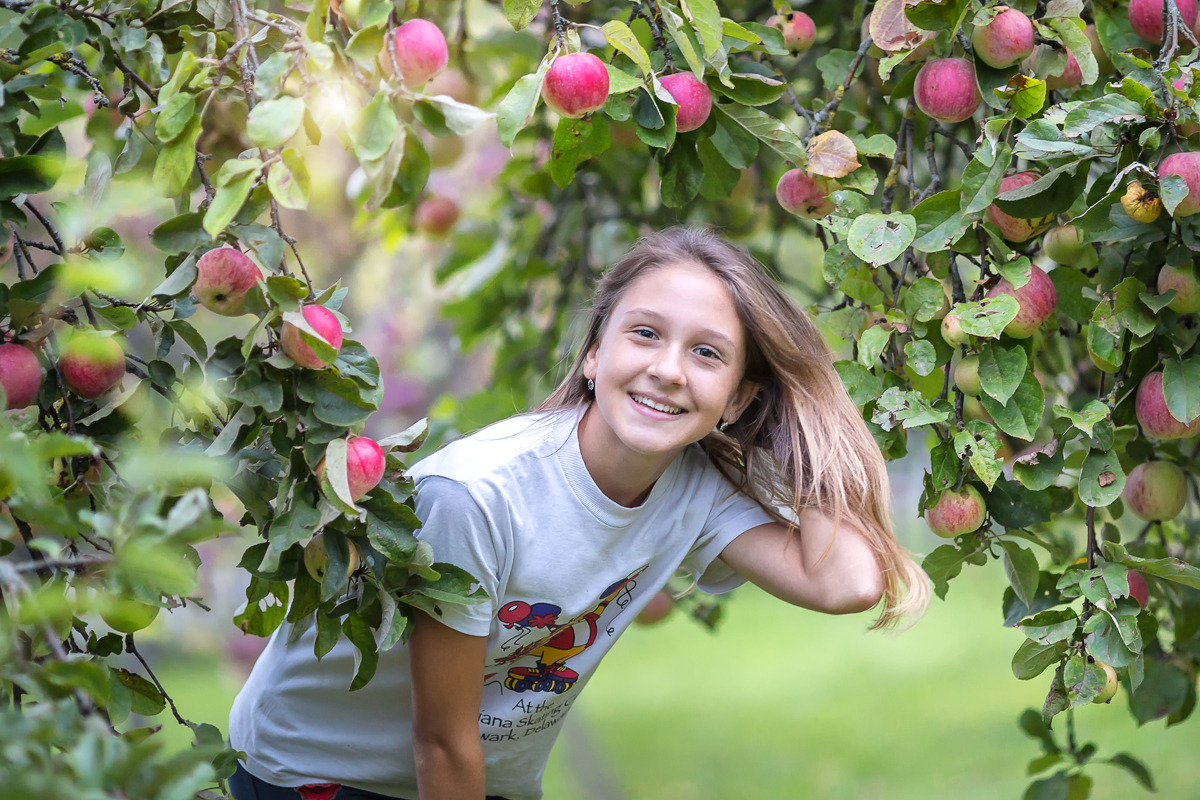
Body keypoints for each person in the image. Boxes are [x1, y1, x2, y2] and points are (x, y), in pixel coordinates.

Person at [227, 226, 930, 800]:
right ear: (595, 354)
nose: (668, 369)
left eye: (707, 354)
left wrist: (795, 428)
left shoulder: (694, 484)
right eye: (646, 334)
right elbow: (440, 741)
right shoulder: (478, 498)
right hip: (321, 776)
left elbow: (848, 583)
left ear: (738, 399)